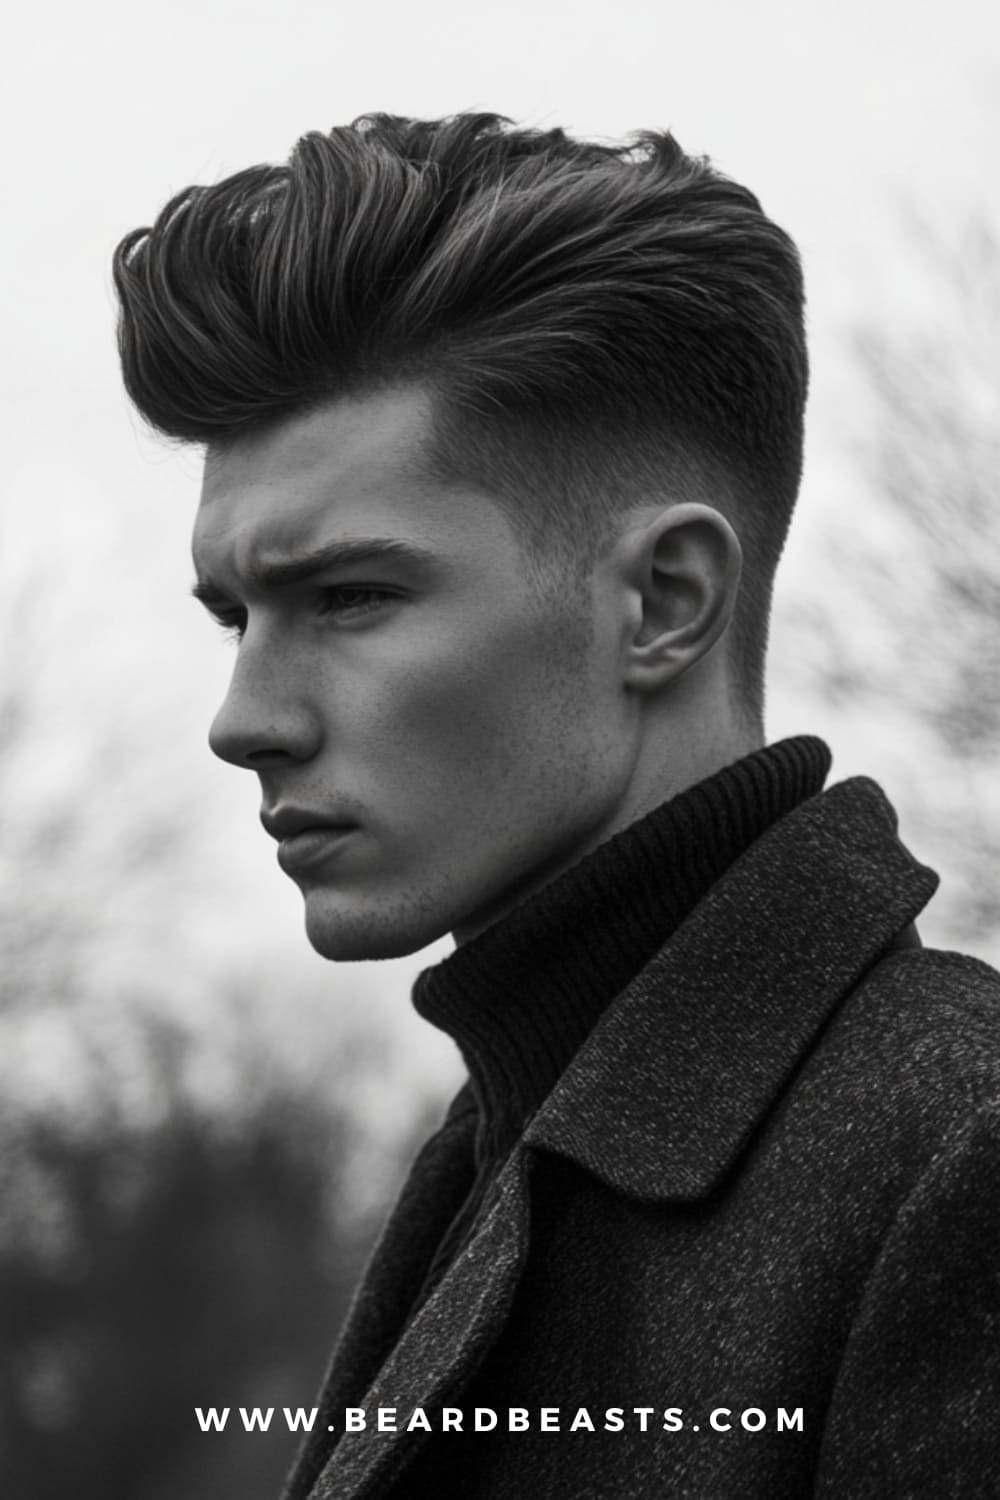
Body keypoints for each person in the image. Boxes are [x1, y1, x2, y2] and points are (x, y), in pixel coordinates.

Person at [111, 112, 1000, 1498]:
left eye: (350, 597)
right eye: (235, 615)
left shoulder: (958, 1151)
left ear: (663, 601)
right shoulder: (492, 1158)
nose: (244, 721)